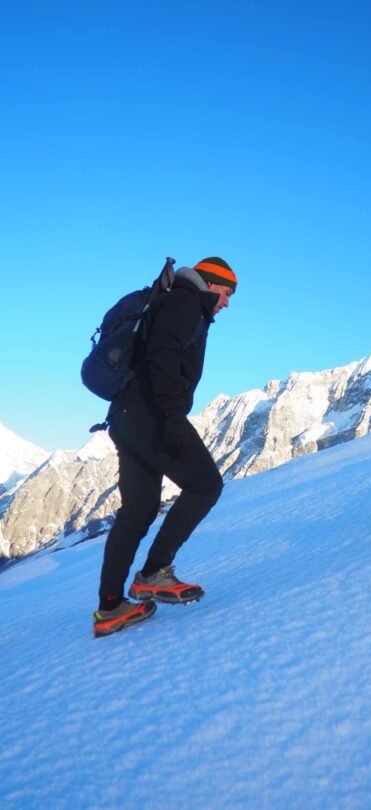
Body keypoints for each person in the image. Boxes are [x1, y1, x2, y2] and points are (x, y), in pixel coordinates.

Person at [93, 257, 237, 637]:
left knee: (137, 512)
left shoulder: (173, 300)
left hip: (125, 415)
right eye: (226, 294)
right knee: (206, 485)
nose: (226, 304)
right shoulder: (185, 302)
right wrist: (172, 416)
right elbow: (162, 355)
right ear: (210, 284)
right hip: (150, 414)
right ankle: (153, 573)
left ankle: (110, 607)